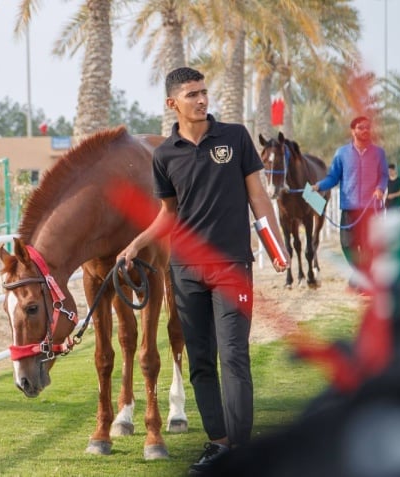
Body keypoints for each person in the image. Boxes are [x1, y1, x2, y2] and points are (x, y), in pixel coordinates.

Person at [117, 67, 288, 476]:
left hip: (231, 266)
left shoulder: (235, 138)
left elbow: (259, 197)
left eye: (204, 92)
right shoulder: (165, 155)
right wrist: (137, 243)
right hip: (186, 271)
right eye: (192, 94)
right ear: (172, 103)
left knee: (233, 355)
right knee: (200, 362)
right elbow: (167, 216)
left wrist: (279, 250)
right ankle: (219, 443)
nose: (202, 99)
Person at [312, 116, 388, 275]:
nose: (365, 130)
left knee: (368, 246)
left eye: (368, 127)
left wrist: (380, 188)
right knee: (347, 245)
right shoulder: (342, 154)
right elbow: (333, 177)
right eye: (361, 127)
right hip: (349, 208)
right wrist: (319, 186)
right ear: (353, 131)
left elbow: (383, 176)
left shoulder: (379, 153)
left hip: (370, 209)